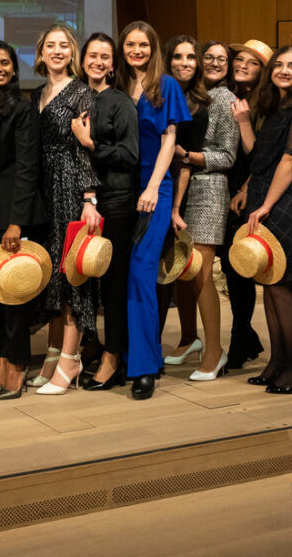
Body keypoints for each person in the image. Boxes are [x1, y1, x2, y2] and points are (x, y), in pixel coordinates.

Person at [232, 45, 292, 394]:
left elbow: (291, 161)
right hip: (264, 196)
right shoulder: (273, 105)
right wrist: (242, 123)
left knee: (283, 285)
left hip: (286, 201)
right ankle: (278, 360)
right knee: (268, 282)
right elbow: (258, 156)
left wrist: (266, 204)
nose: (284, 71)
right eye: (279, 65)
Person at [117, 21, 190, 400]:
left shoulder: (167, 86)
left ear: (153, 48)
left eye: (143, 45)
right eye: (130, 44)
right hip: (120, 189)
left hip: (152, 189)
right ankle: (133, 357)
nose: (137, 50)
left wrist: (150, 187)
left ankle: (144, 366)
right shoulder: (117, 85)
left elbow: (170, 140)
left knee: (141, 274)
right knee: (124, 276)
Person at [0, 41, 48, 400]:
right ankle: (2, 363)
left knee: (16, 297)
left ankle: (16, 369)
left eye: (5, 63)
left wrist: (16, 221)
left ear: (14, 69)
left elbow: (26, 168)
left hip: (15, 213)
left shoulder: (23, 108)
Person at [29, 24, 98, 393]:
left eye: (64, 46)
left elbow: (84, 148)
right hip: (45, 191)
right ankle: (54, 352)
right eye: (50, 46)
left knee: (73, 275)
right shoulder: (38, 93)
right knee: (53, 274)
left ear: (72, 53)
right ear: (40, 53)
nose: (57, 51)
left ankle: (72, 359)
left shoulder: (81, 92)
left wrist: (89, 198)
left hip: (71, 187)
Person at [73, 33, 139, 392]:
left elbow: (130, 155)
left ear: (113, 64)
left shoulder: (120, 102)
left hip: (115, 202)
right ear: (83, 60)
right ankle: (93, 347)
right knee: (86, 283)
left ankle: (114, 358)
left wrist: (91, 144)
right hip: (80, 203)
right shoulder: (76, 98)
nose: (97, 61)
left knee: (113, 285)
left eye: (105, 57)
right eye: (92, 55)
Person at [170, 38, 238, 381]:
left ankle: (215, 351)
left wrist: (188, 156)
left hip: (209, 189)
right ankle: (188, 339)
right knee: (182, 269)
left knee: (199, 270)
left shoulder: (226, 100)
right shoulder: (185, 94)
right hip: (178, 187)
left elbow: (228, 156)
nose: (213, 62)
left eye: (220, 58)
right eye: (207, 57)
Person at [159, 35, 208, 367]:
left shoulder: (202, 102)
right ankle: (182, 337)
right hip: (159, 183)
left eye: (191, 57)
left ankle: (192, 337)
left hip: (188, 188)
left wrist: (176, 207)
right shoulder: (157, 95)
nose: (185, 62)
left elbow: (187, 161)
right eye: (178, 56)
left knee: (183, 267)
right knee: (165, 271)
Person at [222, 39, 271, 369]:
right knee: (229, 265)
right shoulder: (227, 94)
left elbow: (262, 157)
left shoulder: (265, 104)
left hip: (249, 189)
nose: (242, 65)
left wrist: (244, 188)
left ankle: (239, 339)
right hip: (224, 185)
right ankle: (246, 334)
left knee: (241, 266)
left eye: (252, 63)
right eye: (239, 59)